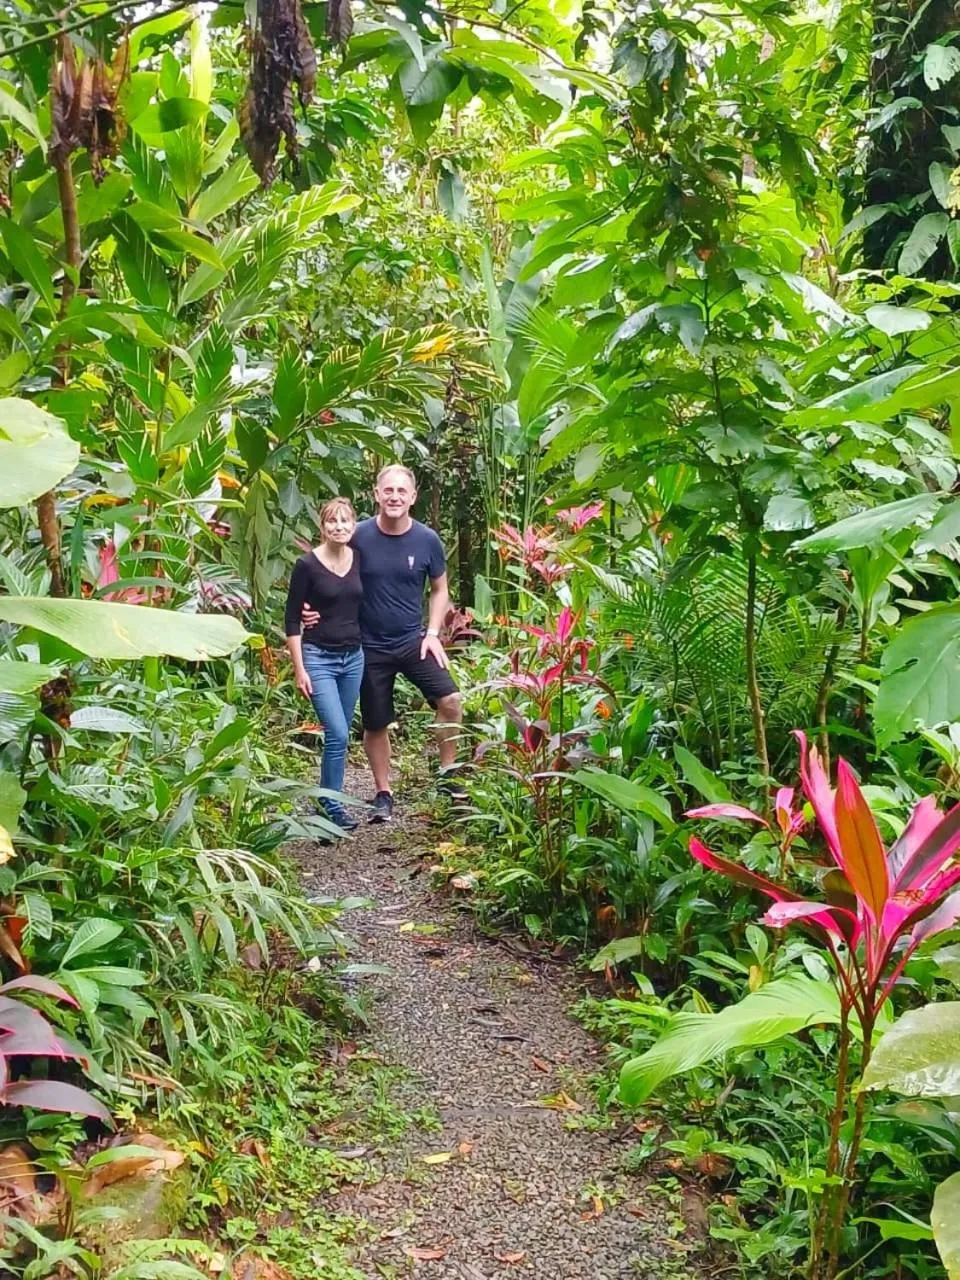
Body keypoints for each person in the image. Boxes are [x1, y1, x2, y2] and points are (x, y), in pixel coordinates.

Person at [303, 464, 463, 822]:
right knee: (376, 722)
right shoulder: (356, 535)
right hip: (366, 646)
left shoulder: (427, 540)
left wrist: (433, 633)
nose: (394, 497)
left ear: (413, 497)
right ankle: (382, 792)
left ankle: (448, 774)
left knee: (450, 699)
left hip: (412, 640)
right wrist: (308, 609)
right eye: (387, 491)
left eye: (401, 492)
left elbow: (440, 589)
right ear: (376, 494)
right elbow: (318, 566)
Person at [284, 497, 364, 835]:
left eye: (345, 521)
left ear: (353, 525)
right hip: (319, 657)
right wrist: (300, 668)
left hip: (353, 657)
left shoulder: (359, 559)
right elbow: (291, 620)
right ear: (323, 526)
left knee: (339, 737)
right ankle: (330, 803)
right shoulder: (307, 565)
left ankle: (327, 799)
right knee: (338, 732)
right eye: (333, 521)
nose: (340, 527)